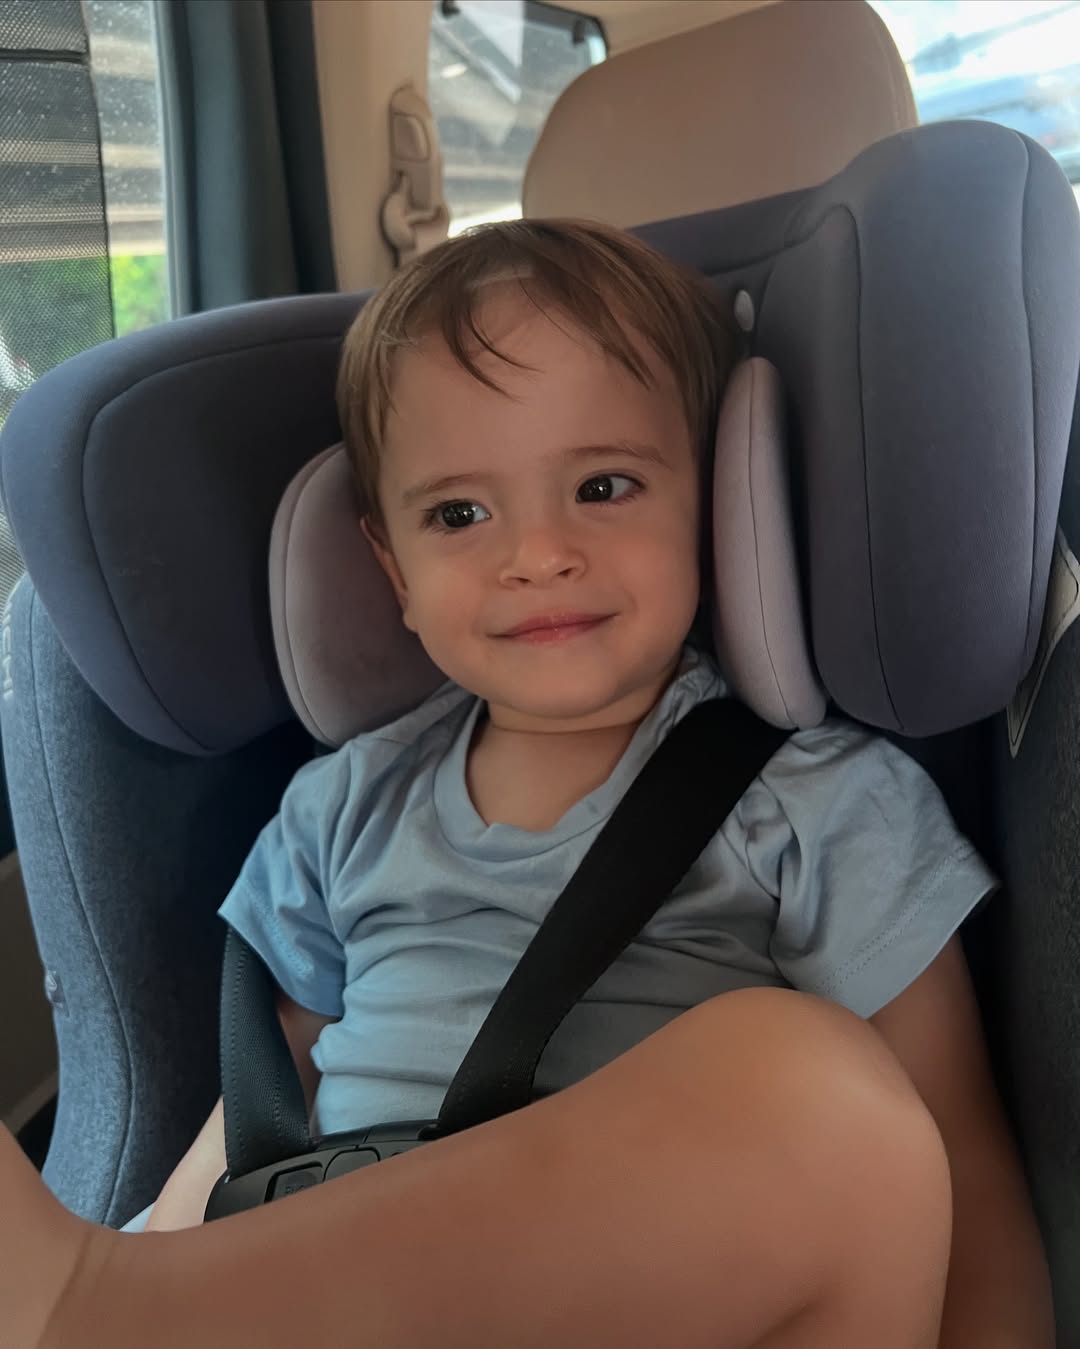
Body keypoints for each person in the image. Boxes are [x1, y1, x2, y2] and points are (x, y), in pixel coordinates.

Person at [0, 220, 1055, 1348]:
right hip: (340, 1295)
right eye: (459, 514)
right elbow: (260, 1097)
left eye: (604, 485)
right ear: (393, 568)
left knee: (828, 1099)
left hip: (679, 1306)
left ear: (714, 507)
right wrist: (159, 1245)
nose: (538, 553)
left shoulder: (822, 804)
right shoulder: (338, 809)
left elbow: (966, 1169)